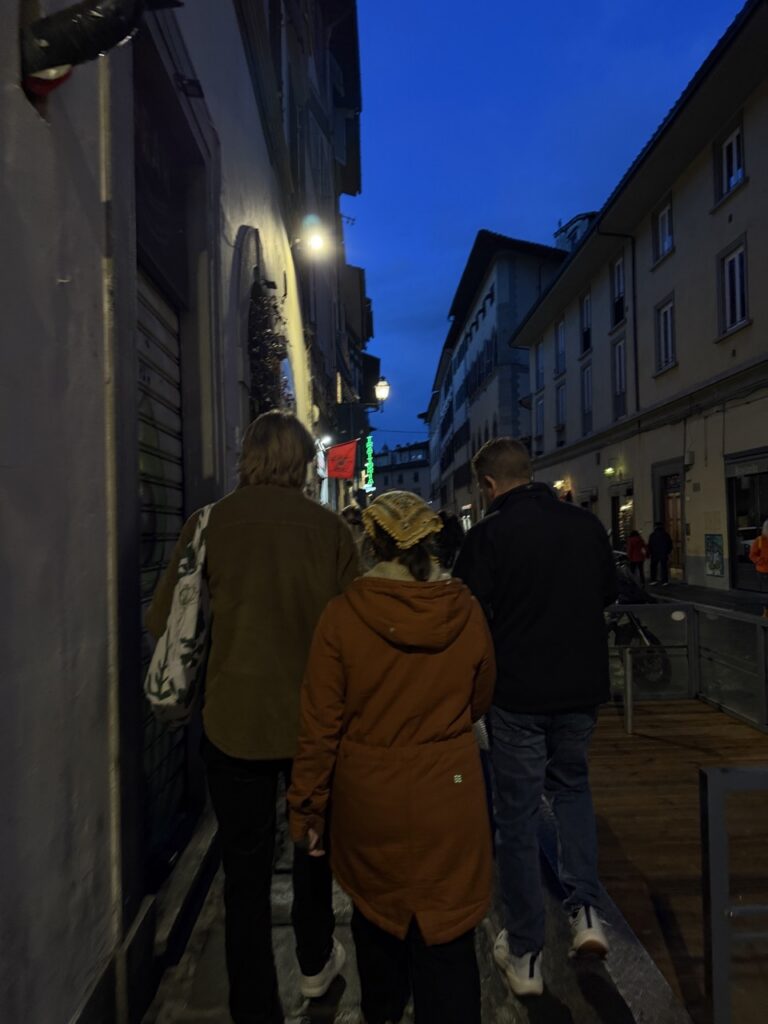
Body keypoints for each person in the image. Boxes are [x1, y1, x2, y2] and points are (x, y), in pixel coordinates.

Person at [146, 411, 360, 1024]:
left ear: (248, 457)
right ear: (302, 463)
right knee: (314, 849)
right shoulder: (330, 532)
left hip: (233, 725)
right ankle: (317, 965)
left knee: (244, 872)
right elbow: (354, 632)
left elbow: (166, 621)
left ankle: (254, 1006)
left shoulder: (207, 525)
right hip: (312, 727)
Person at [288, 491, 496, 1024]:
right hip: (449, 797)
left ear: (370, 541)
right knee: (448, 942)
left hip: (369, 804)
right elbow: (481, 697)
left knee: (378, 931)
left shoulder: (341, 617)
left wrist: (308, 812)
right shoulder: (465, 609)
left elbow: (319, 728)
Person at [453, 438, 617, 998]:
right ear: (530, 473)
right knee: (573, 789)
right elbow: (607, 593)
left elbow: (466, 617)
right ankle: (587, 914)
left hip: (517, 697)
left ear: (489, 485)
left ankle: (525, 952)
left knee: (517, 818)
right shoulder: (585, 526)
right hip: (581, 691)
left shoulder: (487, 537)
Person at [749, 519, 768, 618]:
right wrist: (759, 560)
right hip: (763, 572)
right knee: (765, 593)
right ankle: (766, 612)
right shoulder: (759, 540)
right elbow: (752, 555)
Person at [648, 522, 674, 586]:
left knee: (653, 567)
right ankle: (664, 581)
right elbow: (670, 544)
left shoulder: (652, 535)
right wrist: (668, 552)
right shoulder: (666, 535)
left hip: (655, 553)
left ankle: (654, 580)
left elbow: (650, 545)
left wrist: (650, 552)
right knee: (664, 567)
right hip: (663, 553)